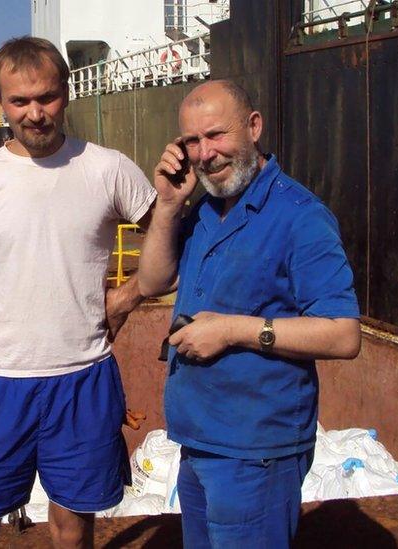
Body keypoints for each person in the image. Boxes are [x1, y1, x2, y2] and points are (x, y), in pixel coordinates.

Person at [0, 36, 156, 549]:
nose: (35, 113)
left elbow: (170, 242)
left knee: (71, 530)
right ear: (1, 102)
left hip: (83, 378)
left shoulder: (108, 169)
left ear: (66, 94)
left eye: (47, 98)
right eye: (20, 101)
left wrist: (126, 298)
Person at [136, 80, 362, 547]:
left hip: (256, 450)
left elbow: (344, 334)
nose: (205, 153)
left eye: (217, 135)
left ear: (254, 127)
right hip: (200, 440)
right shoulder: (203, 209)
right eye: (192, 141)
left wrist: (235, 331)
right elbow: (153, 282)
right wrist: (168, 206)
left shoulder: (300, 216)